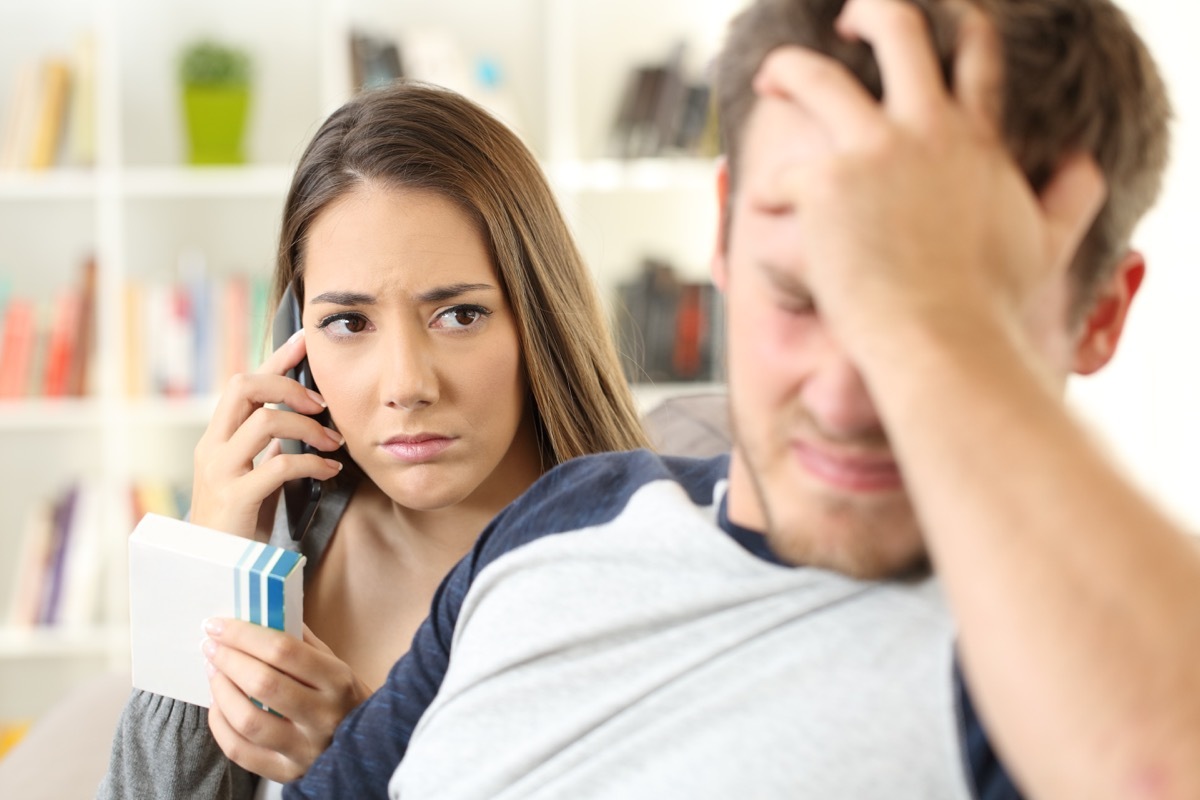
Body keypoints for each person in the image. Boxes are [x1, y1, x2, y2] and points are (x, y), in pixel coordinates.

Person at [282, 0, 1200, 798]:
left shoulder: (1041, 684)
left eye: (954, 322)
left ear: (1102, 315)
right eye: (801, 296)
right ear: (722, 236)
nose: (845, 398)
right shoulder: (559, 520)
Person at [97, 81, 649, 799]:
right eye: (349, 324)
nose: (405, 384)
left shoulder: (632, 570)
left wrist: (366, 761)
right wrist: (205, 568)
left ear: (536, 316)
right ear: (298, 340)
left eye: (457, 315)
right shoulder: (292, 542)